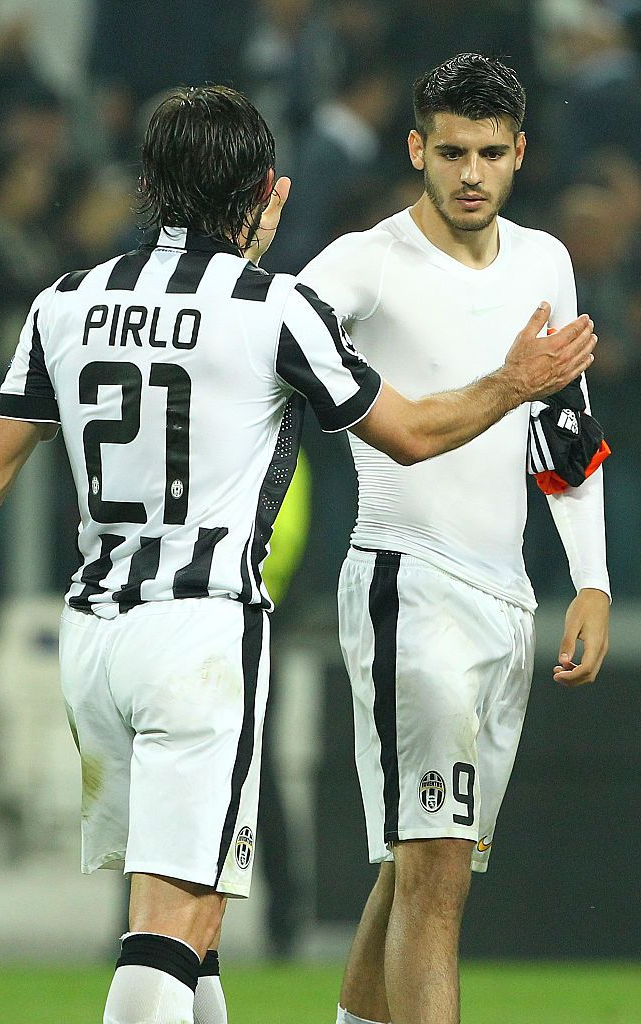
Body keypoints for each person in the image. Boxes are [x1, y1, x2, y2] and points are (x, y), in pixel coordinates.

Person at [0, 85, 595, 1024]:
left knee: (195, 942)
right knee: (168, 927)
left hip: (93, 642)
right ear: (262, 193)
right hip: (200, 640)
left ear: (150, 186)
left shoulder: (65, 301)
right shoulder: (271, 309)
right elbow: (409, 433)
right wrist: (514, 380)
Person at [298, 53, 611, 1024]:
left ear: (519, 153)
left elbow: (564, 422)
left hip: (506, 599)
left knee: (416, 865)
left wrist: (590, 575)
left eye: (488, 153)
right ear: (415, 151)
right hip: (407, 582)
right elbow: (273, 334)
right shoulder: (365, 264)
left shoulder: (545, 262)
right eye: (449, 153)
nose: (468, 174)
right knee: (435, 874)